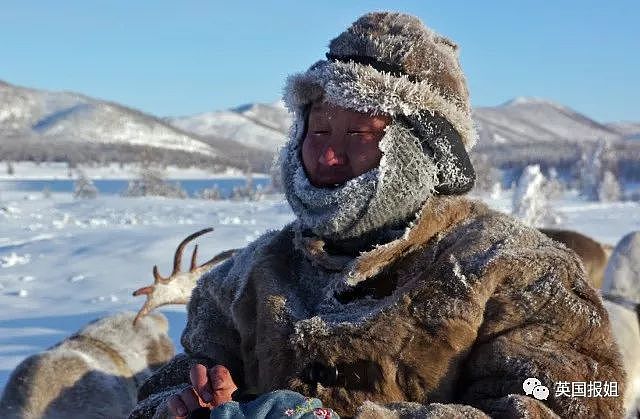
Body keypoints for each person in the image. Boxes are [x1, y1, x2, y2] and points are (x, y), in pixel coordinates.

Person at [130, 12, 625, 419]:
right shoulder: (251, 273)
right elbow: (174, 380)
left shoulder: (513, 267)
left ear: (421, 148)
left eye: (358, 135)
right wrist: (180, 407)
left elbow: (582, 402)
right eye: (319, 131)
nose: (326, 156)